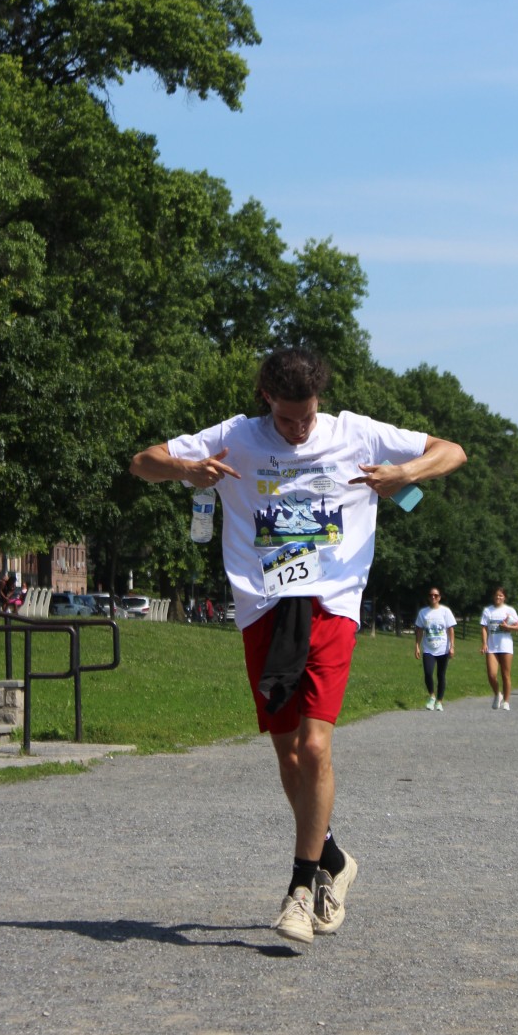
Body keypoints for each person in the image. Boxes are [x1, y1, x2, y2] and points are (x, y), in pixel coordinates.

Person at [130, 345, 466, 946]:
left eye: (306, 416)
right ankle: (334, 858)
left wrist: (406, 474)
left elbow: (453, 451)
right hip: (263, 605)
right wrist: (186, 470)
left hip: (331, 604)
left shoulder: (355, 433)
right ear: (267, 400)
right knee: (288, 756)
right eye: (286, 419)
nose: (298, 429)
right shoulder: (237, 436)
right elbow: (142, 462)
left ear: (319, 401)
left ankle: (300, 890)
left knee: (314, 746)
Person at [414, 586, 457, 710]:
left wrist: (452, 646)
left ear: (439, 597)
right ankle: (432, 696)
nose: (433, 597)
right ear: (428, 597)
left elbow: (450, 629)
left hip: (443, 649)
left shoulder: (445, 611)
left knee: (441, 675)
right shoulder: (423, 613)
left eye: (436, 595)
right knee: (428, 673)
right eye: (431, 595)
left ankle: (439, 701)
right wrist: (417, 646)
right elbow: (419, 630)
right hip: (429, 649)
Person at [480, 586, 518, 710]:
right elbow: (484, 628)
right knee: (491, 675)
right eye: (496, 595)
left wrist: (508, 627)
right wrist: (484, 643)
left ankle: (506, 701)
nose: (498, 597)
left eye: (501, 595)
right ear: (493, 596)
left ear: (504, 597)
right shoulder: (488, 610)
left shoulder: (509, 610)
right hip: (492, 646)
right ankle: (498, 694)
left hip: (506, 646)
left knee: (505, 674)